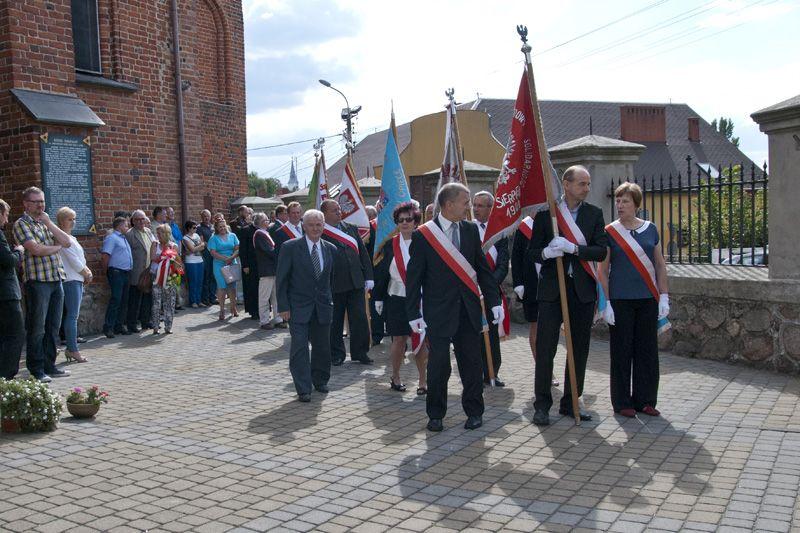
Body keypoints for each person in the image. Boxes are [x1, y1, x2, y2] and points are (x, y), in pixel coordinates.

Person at [405, 183, 502, 432]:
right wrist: (413, 313)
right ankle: (436, 414)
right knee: (439, 366)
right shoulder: (424, 234)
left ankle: (474, 412)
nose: (469, 207)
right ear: (449, 205)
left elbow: (482, 269)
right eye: (465, 202)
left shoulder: (470, 230)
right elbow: (414, 278)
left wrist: (494, 302)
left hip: (468, 309)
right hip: (438, 312)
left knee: (471, 364)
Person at [528, 165, 608, 426]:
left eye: (587, 184)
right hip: (552, 291)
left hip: (582, 292)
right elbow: (532, 252)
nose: (586, 188)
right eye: (582, 183)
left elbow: (600, 251)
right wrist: (547, 253)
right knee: (546, 348)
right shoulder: (546, 214)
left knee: (579, 349)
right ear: (566, 184)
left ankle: (571, 401)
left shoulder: (594, 214)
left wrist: (574, 248)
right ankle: (542, 405)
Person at [598, 182, 669, 418]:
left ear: (636, 204)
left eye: (625, 201)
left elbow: (660, 264)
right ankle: (622, 402)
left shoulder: (651, 229)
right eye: (618, 201)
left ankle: (646, 400)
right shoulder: (610, 231)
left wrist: (664, 296)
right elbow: (602, 270)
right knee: (621, 351)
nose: (620, 205)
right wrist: (606, 302)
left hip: (648, 299)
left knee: (647, 351)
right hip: (620, 301)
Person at [13, 186, 72, 381]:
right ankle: (36, 369)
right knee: (37, 327)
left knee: (53, 326)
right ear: (26, 204)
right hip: (38, 281)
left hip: (56, 279)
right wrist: (56, 248)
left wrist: (49, 222)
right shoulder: (21, 224)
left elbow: (67, 242)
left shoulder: (46, 223)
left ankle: (50, 365)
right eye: (36, 202)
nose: (40, 205)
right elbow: (35, 249)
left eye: (42, 201)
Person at [276, 209, 336, 402]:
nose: (315, 228)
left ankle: (320, 380)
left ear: (324, 226)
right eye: (311, 224)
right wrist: (283, 307)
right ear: (304, 225)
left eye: (319, 224)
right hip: (298, 308)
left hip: (322, 307)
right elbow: (282, 280)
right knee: (299, 348)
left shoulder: (330, 249)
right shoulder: (290, 247)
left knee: (322, 347)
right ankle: (303, 388)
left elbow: (330, 281)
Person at [373, 202, 428, 395]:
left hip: (420, 299)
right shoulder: (390, 244)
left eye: (409, 219)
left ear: (416, 221)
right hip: (396, 298)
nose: (404, 223)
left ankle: (423, 381)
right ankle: (395, 376)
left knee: (419, 341)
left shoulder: (425, 241)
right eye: (400, 220)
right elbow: (382, 273)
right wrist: (378, 297)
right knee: (398, 340)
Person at [320, 199, 374, 365]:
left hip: (355, 281)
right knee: (335, 321)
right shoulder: (320, 231)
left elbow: (363, 254)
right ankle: (336, 354)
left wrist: (369, 276)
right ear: (324, 214)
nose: (339, 212)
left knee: (359, 318)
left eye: (339, 209)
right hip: (334, 284)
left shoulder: (349, 228)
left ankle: (360, 352)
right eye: (334, 210)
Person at [511, 213, 558, 386]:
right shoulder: (524, 227)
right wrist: (518, 283)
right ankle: (543, 371)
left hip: (552, 283)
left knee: (551, 330)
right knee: (536, 327)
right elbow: (515, 257)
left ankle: (549, 366)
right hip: (531, 285)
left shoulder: (552, 221)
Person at [472, 191, 510, 387]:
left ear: (490, 208)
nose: (476, 209)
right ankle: (475, 373)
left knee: (492, 333)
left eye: (480, 206)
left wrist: (490, 285)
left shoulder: (499, 232)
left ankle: (492, 372)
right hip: (471, 290)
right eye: (474, 205)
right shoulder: (467, 229)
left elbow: (503, 262)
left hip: (491, 291)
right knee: (474, 333)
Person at [57, 207, 92, 363]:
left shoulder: (72, 238)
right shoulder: (62, 237)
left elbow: (80, 259)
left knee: (72, 316)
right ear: (61, 220)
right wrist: (86, 273)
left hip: (77, 278)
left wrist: (86, 271)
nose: (73, 222)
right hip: (70, 279)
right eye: (69, 219)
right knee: (72, 316)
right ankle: (72, 349)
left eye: (74, 219)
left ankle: (71, 348)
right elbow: (74, 260)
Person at [0, 198, 25, 379]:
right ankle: (7, 377)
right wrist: (19, 252)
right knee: (15, 334)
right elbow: (9, 261)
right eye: (5, 215)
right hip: (6, 293)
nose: (7, 220)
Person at [101, 216, 133, 338]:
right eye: (126, 225)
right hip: (116, 272)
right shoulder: (112, 238)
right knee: (116, 300)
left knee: (124, 301)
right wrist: (107, 272)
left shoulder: (123, 238)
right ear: (119, 226)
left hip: (126, 272)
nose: (127, 227)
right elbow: (105, 256)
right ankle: (109, 327)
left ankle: (119, 326)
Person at [252, 212, 283, 330]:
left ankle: (278, 318)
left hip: (273, 269)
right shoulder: (259, 234)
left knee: (276, 296)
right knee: (265, 297)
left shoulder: (265, 233)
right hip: (266, 269)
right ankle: (264, 320)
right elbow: (268, 251)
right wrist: (280, 253)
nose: (268, 221)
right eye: (266, 219)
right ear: (261, 222)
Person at [126, 210, 154, 332]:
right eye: (137, 219)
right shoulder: (130, 234)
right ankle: (132, 324)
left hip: (149, 270)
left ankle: (146, 321)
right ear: (133, 221)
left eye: (142, 219)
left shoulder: (148, 231)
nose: (140, 222)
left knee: (148, 298)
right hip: (137, 271)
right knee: (135, 300)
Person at [149, 224, 181, 334]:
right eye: (157, 233)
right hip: (156, 276)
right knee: (156, 302)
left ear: (167, 234)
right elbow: (152, 257)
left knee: (169, 302)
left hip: (169, 277)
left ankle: (168, 326)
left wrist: (172, 264)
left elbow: (177, 262)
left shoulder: (174, 246)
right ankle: (156, 327)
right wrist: (164, 257)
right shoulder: (155, 244)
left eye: (160, 233)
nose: (158, 235)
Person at [208, 218, 240, 320]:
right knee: (222, 287)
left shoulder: (233, 236)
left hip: (232, 262)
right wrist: (225, 259)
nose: (222, 228)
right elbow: (213, 252)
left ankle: (233, 307)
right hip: (219, 265)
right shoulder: (214, 238)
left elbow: (237, 248)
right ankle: (222, 310)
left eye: (223, 226)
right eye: (220, 227)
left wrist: (231, 257)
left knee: (232, 287)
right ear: (216, 228)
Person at [232, 206, 259, 320]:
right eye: (248, 213)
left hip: (259, 263)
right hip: (249, 263)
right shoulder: (245, 229)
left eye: (251, 214)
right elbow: (243, 249)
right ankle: (253, 311)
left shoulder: (260, 230)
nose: (250, 216)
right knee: (251, 287)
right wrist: (245, 265)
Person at [365, 205, 384, 346]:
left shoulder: (395, 225)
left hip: (393, 271)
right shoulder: (371, 228)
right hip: (375, 271)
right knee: (375, 304)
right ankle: (377, 334)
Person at [182, 220, 205, 308]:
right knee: (193, 281)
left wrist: (196, 248)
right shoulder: (185, 238)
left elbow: (202, 247)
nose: (196, 229)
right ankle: (193, 301)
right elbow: (193, 249)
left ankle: (199, 300)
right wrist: (198, 246)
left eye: (196, 227)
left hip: (200, 260)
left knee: (200, 281)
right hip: (191, 262)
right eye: (194, 227)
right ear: (188, 228)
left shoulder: (196, 235)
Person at [197, 209, 217, 306]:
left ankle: (213, 297)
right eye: (204, 216)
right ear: (201, 217)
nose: (206, 218)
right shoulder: (199, 228)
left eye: (208, 216)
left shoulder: (213, 227)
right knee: (207, 276)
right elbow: (202, 242)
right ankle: (205, 298)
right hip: (206, 255)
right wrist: (212, 245)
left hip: (215, 255)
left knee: (214, 276)